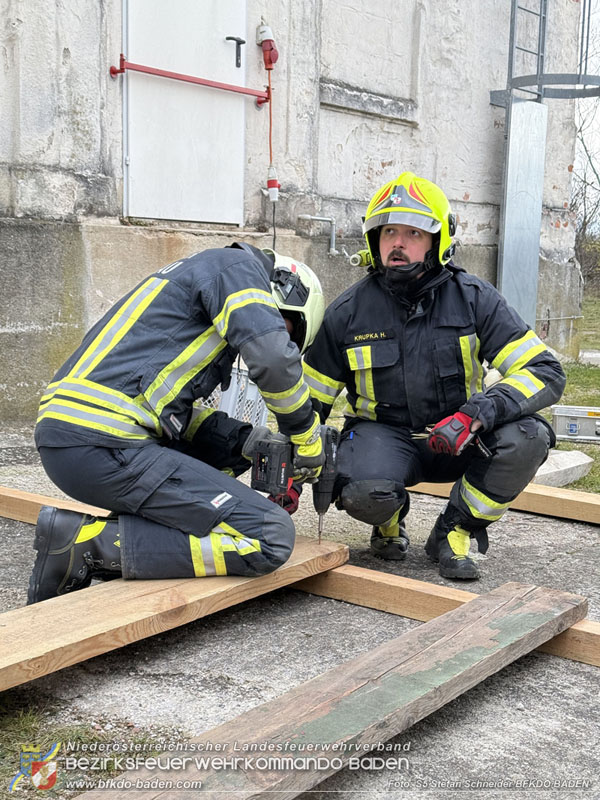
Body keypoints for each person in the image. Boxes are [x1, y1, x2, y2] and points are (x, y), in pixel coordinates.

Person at [27, 243, 325, 604]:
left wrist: (243, 441)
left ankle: (95, 538)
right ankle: (88, 545)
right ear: (286, 292)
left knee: (227, 452)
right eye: (285, 329)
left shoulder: (191, 281)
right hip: (106, 442)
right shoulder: (239, 269)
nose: (276, 334)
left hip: (74, 439)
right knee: (269, 536)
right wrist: (307, 436)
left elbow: (163, 406)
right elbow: (275, 361)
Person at [303, 171, 565, 580]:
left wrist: (478, 413)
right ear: (375, 239)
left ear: (438, 240)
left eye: (414, 233)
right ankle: (388, 518)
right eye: (389, 231)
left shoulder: (475, 298)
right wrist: (292, 460)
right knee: (362, 491)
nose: (398, 244)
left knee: (528, 437)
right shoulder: (348, 311)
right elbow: (308, 401)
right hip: (385, 437)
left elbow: (543, 370)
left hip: (462, 435)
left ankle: (455, 530)